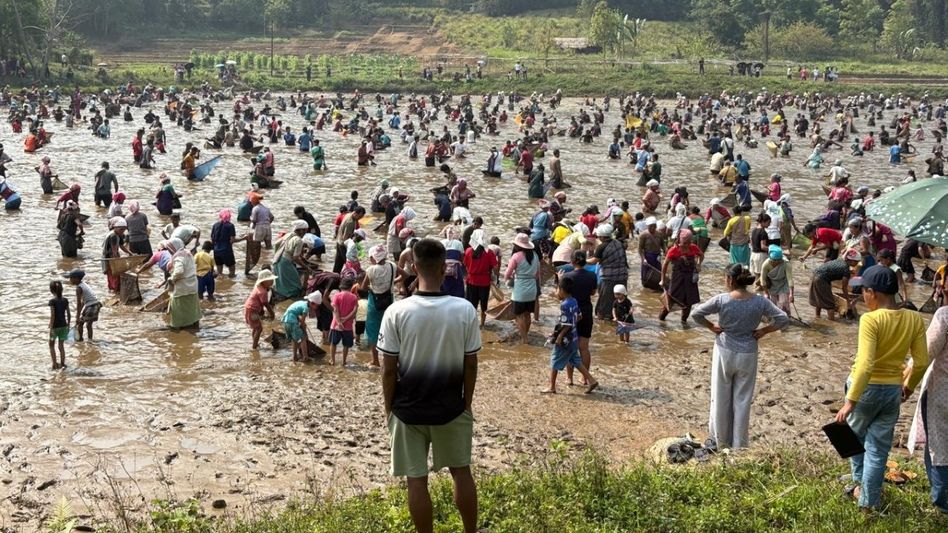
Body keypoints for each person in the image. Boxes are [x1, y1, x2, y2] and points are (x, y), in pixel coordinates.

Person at [378, 238, 481, 533]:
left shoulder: (396, 312)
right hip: (451, 406)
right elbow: (470, 364)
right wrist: (467, 403)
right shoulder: (463, 310)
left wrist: (389, 408)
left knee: (416, 480)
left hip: (408, 410)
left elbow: (388, 369)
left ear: (413, 267)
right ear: (444, 269)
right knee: (461, 472)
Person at [836, 265, 928, 510]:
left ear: (872, 292)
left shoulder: (870, 319)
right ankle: (868, 502)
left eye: (864, 292)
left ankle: (857, 482)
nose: (863, 298)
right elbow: (921, 361)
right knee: (877, 449)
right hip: (891, 393)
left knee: (851, 437)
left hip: (865, 390)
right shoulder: (914, 318)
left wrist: (850, 401)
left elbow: (865, 365)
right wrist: (907, 388)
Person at [691, 263, 788, 449]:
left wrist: (711, 327)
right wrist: (765, 331)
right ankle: (739, 446)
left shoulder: (722, 300)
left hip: (725, 351)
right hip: (748, 352)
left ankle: (720, 440)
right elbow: (782, 318)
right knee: (742, 399)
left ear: (730, 280)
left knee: (720, 397)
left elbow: (696, 314)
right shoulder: (760, 301)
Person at [908, 306, 948, 513]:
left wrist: (906, 382)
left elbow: (925, 354)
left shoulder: (945, 315)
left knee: (939, 446)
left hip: (943, 392)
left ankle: (942, 503)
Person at [543, 276, 598, 394]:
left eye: (557, 289)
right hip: (574, 337)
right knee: (576, 360)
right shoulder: (574, 301)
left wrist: (559, 336)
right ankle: (592, 380)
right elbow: (579, 316)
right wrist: (571, 324)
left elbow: (566, 323)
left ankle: (552, 386)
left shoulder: (564, 305)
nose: (557, 291)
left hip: (566, 339)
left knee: (554, 360)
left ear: (562, 290)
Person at [365, 244, 403, 367]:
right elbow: (405, 275)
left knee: (372, 330)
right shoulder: (392, 266)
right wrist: (393, 282)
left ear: (374, 258)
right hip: (388, 301)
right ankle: (392, 359)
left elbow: (362, 286)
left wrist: (372, 287)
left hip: (374, 303)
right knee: (389, 329)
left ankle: (375, 360)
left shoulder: (371, 270)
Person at [660, 229, 704, 322]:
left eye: (689, 242)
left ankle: (684, 322)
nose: (687, 245)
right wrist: (662, 280)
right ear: (679, 241)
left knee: (688, 302)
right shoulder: (673, 250)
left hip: (690, 279)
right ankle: (661, 320)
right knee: (670, 300)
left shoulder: (693, 247)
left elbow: (701, 255)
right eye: (685, 243)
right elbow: (665, 265)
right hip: (677, 279)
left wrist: (699, 264)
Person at [504, 233, 540, 344]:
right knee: (527, 314)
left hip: (520, 290)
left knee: (518, 315)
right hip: (532, 288)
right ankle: (526, 334)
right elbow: (537, 274)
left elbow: (507, 274)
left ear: (518, 245)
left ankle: (524, 339)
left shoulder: (516, 256)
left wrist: (512, 277)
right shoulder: (535, 255)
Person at [808, 248, 860, 320]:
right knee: (831, 305)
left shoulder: (840, 261)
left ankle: (817, 317)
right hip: (822, 280)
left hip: (814, 275)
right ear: (851, 260)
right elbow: (844, 288)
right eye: (856, 262)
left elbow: (834, 268)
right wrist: (848, 302)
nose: (857, 264)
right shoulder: (846, 270)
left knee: (818, 299)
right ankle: (832, 322)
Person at [590, 224, 628, 320]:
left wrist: (584, 260)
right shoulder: (618, 243)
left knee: (604, 299)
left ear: (602, 237)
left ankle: (602, 319)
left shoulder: (602, 246)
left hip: (608, 277)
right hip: (622, 275)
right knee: (620, 298)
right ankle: (619, 316)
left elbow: (594, 261)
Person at [463, 229, 499, 328]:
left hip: (471, 281)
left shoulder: (468, 251)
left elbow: (465, 265)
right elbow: (495, 267)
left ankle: (472, 323)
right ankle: (482, 324)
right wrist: (495, 276)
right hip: (484, 282)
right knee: (484, 305)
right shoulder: (489, 252)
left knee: (471, 304)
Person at [167, 237, 202, 329]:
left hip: (183, 287)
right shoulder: (187, 253)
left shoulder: (179, 257)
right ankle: (194, 325)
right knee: (192, 306)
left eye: (170, 248)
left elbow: (179, 271)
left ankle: (178, 326)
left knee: (178, 307)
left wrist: (172, 279)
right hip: (192, 285)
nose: (169, 251)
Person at [273, 221, 309, 300]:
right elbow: (295, 257)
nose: (305, 233)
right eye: (305, 231)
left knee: (282, 280)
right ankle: (292, 297)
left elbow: (276, 244)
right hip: (286, 261)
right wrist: (306, 267)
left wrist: (277, 255)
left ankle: (282, 294)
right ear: (301, 230)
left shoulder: (288, 235)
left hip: (278, 258)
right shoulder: (299, 240)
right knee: (295, 282)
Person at [282, 291, 322, 362]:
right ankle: (305, 357)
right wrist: (305, 332)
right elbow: (302, 324)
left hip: (286, 321)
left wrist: (301, 322)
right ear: (312, 303)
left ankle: (295, 357)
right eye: (317, 306)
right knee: (303, 339)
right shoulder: (306, 309)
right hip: (292, 322)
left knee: (294, 339)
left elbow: (293, 312)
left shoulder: (301, 303)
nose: (317, 308)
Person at [245, 269, 277, 350]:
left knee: (256, 327)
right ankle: (254, 347)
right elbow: (266, 304)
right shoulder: (263, 292)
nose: (272, 281)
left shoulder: (259, 287)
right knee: (259, 328)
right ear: (264, 281)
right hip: (253, 310)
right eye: (270, 280)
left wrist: (261, 311)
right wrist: (272, 314)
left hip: (250, 308)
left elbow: (260, 302)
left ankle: (255, 343)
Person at [330, 279, 359, 366]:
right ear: (351, 287)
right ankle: (343, 361)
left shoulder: (337, 295)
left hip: (336, 325)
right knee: (346, 345)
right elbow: (354, 311)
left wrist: (339, 322)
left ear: (341, 286)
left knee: (333, 343)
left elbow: (335, 309)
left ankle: (332, 360)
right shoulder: (354, 297)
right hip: (348, 325)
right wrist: (346, 319)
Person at [65, 269, 100, 341]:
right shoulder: (83, 284)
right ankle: (90, 340)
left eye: (71, 278)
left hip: (91, 306)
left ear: (76, 279)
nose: (70, 280)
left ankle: (80, 340)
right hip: (95, 304)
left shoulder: (79, 288)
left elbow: (78, 303)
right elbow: (83, 301)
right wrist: (80, 311)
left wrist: (77, 317)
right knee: (88, 324)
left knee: (80, 323)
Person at [757, 245, 793, 313]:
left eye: (778, 261)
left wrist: (791, 294)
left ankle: (786, 318)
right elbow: (763, 279)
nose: (776, 262)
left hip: (783, 284)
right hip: (772, 285)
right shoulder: (766, 264)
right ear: (770, 259)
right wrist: (766, 293)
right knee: (772, 305)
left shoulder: (786, 264)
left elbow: (790, 279)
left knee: (784, 303)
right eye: (774, 261)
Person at [247, 195, 274, 276]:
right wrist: (267, 224)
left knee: (256, 245)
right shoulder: (265, 208)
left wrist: (253, 228)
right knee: (269, 246)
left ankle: (258, 261)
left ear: (254, 201)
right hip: (268, 227)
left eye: (251, 201)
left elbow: (253, 220)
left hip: (259, 227)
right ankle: (268, 259)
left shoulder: (255, 208)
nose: (250, 202)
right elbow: (272, 217)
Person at [48, 280, 70, 370]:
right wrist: (68, 325)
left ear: (51, 290)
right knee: (61, 346)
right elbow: (69, 314)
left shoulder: (52, 301)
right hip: (64, 326)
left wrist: (51, 327)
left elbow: (53, 315)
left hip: (55, 327)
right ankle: (63, 363)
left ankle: (54, 364)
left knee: (51, 345)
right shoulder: (65, 300)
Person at [211, 209, 238, 277]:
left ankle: (221, 284)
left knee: (219, 273)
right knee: (232, 272)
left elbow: (212, 239)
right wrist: (244, 238)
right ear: (229, 216)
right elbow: (232, 240)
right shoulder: (230, 226)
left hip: (216, 251)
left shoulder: (215, 225)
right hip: (226, 250)